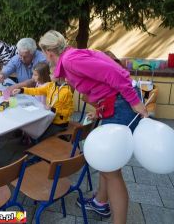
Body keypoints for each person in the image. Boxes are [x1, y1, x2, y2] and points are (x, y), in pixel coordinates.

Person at [38, 30, 148, 224]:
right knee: (106, 162)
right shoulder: (73, 56)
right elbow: (102, 82)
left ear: (48, 52)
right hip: (115, 104)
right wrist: (99, 110)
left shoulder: (72, 60)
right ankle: (101, 202)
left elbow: (113, 72)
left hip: (123, 105)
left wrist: (134, 102)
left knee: (111, 169)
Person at [12, 68, 74, 140]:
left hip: (59, 123)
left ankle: (59, 140)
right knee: (35, 128)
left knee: (40, 136)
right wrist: (22, 90)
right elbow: (37, 90)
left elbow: (69, 112)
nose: (49, 75)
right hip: (49, 118)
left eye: (51, 74)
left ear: (59, 76)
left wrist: (53, 109)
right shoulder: (51, 85)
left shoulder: (67, 92)